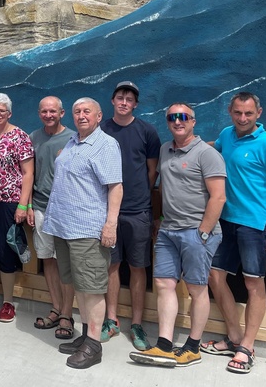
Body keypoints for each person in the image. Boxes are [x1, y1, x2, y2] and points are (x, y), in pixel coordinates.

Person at [130, 103, 225, 368]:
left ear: (193, 121)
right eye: (172, 117)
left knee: (196, 288)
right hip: (168, 230)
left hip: (196, 231)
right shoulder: (164, 150)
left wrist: (203, 233)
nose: (178, 121)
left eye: (183, 117)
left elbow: (218, 197)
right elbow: (163, 188)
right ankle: (164, 344)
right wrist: (159, 220)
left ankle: (193, 347)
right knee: (163, 285)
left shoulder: (207, 154)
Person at [202, 92, 266, 374]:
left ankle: (248, 347)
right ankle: (235, 338)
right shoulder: (227, 135)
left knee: (254, 283)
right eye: (238, 113)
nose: (242, 118)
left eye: (248, 114)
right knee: (215, 275)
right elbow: (216, 147)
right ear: (230, 111)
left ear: (259, 113)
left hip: (254, 224)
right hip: (225, 220)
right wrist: (188, 144)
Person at [44, 98, 122, 369]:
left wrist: (110, 224)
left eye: (87, 111)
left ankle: (94, 346)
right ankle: (87, 334)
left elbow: (115, 186)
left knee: (92, 287)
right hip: (64, 227)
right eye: (77, 112)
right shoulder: (73, 142)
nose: (81, 115)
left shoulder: (106, 145)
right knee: (79, 285)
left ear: (99, 116)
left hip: (87, 228)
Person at [100, 81, 161, 349]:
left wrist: (141, 197)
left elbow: (152, 171)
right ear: (112, 101)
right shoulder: (101, 130)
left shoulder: (147, 131)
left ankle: (136, 324)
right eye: (120, 97)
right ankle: (111, 320)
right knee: (111, 266)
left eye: (129, 99)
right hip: (107, 212)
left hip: (138, 211)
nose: (124, 102)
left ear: (135, 104)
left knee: (138, 267)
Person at [0, 93, 34, 323]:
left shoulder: (20, 136)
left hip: (9, 201)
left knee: (5, 249)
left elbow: (28, 173)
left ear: (9, 113)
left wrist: (23, 204)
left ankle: (9, 301)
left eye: (2, 110)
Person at [29, 97, 76, 340]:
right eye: (44, 111)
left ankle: (68, 314)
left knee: (65, 263)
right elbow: (28, 173)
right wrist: (27, 204)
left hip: (65, 210)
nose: (49, 115)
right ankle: (56, 308)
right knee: (47, 258)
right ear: (39, 113)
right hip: (40, 207)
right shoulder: (34, 137)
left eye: (53, 111)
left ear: (62, 113)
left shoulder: (73, 138)